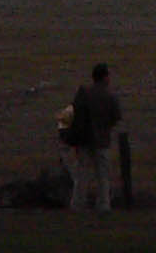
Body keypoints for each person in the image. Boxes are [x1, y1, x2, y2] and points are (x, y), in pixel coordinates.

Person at [61, 62, 122, 211]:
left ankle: (77, 204)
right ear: (105, 77)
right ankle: (103, 205)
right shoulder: (110, 96)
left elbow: (68, 114)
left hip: (83, 140)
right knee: (103, 176)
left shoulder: (83, 93)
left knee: (82, 175)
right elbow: (116, 116)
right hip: (101, 141)